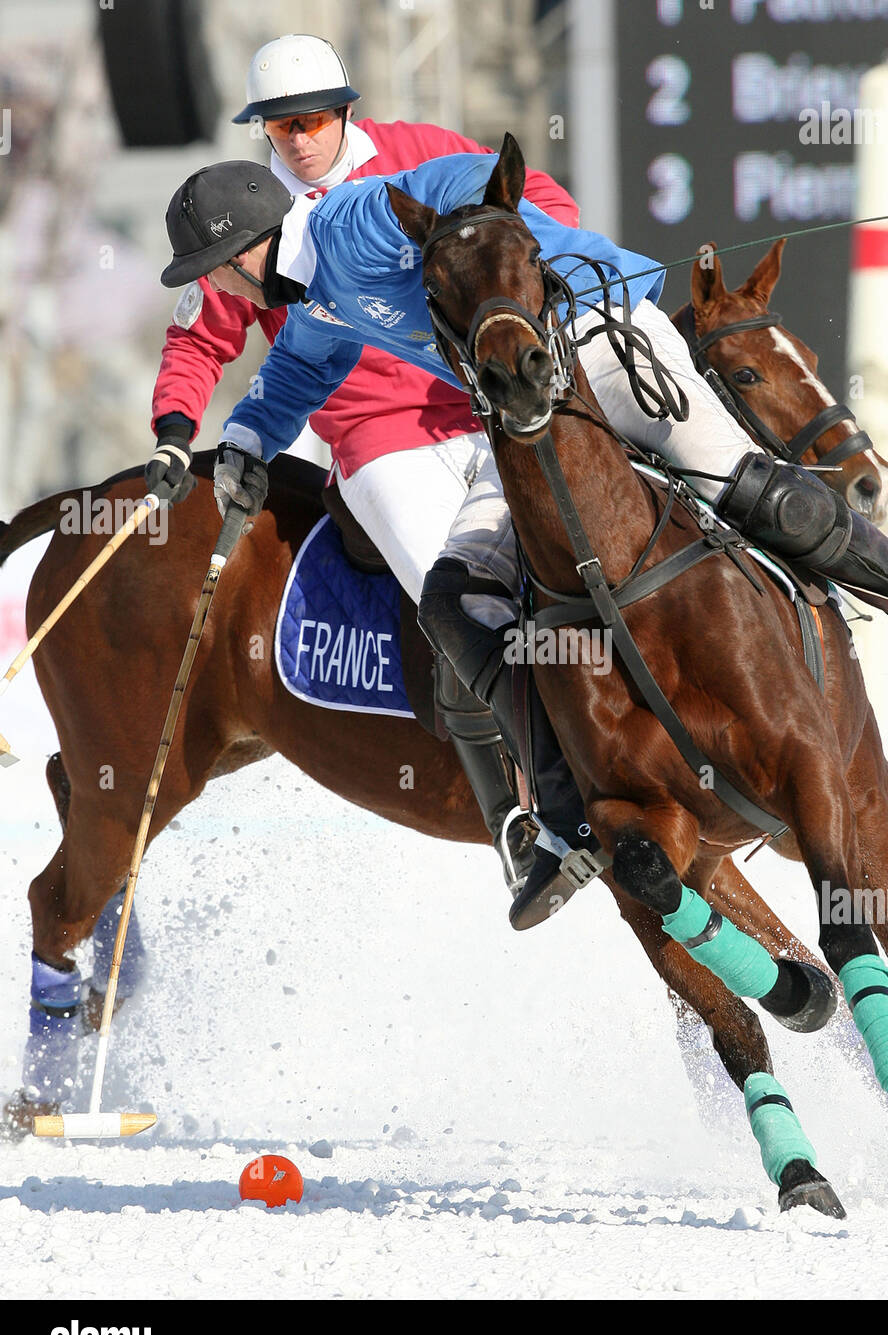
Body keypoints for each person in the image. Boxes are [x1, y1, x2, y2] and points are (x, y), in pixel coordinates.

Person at [157, 145, 888, 929]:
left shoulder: (351, 218)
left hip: (602, 339)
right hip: (522, 413)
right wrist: (241, 442)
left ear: (244, 252)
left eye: (212, 273)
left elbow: (456, 179)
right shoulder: (317, 295)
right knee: (454, 603)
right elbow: (300, 366)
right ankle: (557, 811)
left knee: (755, 491)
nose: (219, 293)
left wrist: (511, 224)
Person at [147, 34, 581, 905]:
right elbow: (199, 337)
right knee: (457, 599)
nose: (298, 140)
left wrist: (529, 268)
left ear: (345, 112)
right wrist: (171, 430)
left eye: (311, 119)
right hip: (377, 445)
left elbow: (532, 192)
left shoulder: (418, 151)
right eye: (279, 126)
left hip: (489, 405)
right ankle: (521, 820)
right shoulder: (249, 212)